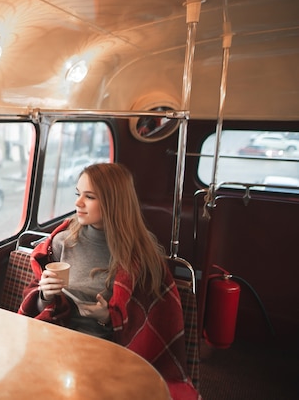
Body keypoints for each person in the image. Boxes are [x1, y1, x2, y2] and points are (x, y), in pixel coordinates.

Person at [18, 163, 200, 400]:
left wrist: (106, 318)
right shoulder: (61, 242)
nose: (78, 203)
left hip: (110, 352)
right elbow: (41, 311)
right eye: (77, 194)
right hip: (57, 343)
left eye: (89, 197)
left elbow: (147, 329)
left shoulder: (142, 259)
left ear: (114, 202)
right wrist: (46, 295)